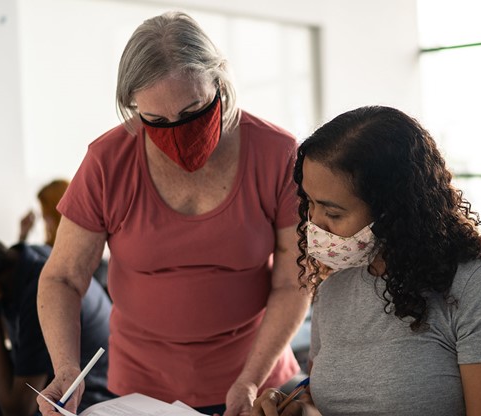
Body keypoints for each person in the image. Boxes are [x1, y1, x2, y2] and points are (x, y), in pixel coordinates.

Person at [36, 11, 310, 416]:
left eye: (192, 111)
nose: (177, 132)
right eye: (156, 121)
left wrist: (250, 379)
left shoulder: (276, 152)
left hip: (257, 376)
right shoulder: (107, 161)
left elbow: (293, 281)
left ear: (219, 83)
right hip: (142, 387)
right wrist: (65, 368)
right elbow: (62, 276)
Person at [251, 106, 481, 416]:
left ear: (392, 211)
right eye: (310, 203)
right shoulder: (334, 289)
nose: (315, 224)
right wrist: (297, 406)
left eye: (333, 213)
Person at [0, 221, 113, 416]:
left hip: (77, 404)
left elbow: (17, 410)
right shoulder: (26, 260)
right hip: (40, 392)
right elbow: (13, 329)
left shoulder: (39, 293)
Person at [19, 179, 110, 291]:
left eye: (46, 215)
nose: (44, 219)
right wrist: (23, 235)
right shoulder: (49, 251)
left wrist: (22, 237)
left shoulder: (91, 259)